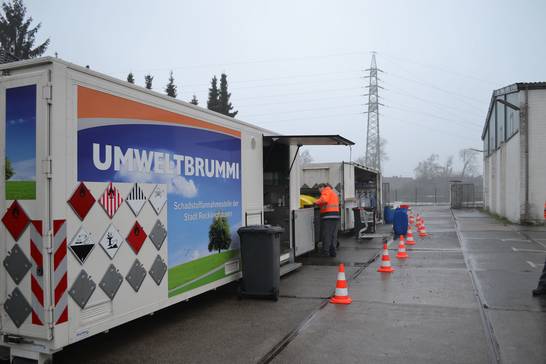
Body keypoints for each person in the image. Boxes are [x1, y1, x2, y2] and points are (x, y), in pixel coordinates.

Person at [314, 183, 340, 257]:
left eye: (319, 189)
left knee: (327, 235)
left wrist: (315, 202)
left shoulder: (326, 191)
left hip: (328, 216)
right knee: (333, 235)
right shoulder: (333, 193)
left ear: (322, 187)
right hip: (336, 216)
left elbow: (324, 200)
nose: (319, 191)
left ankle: (326, 252)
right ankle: (333, 252)